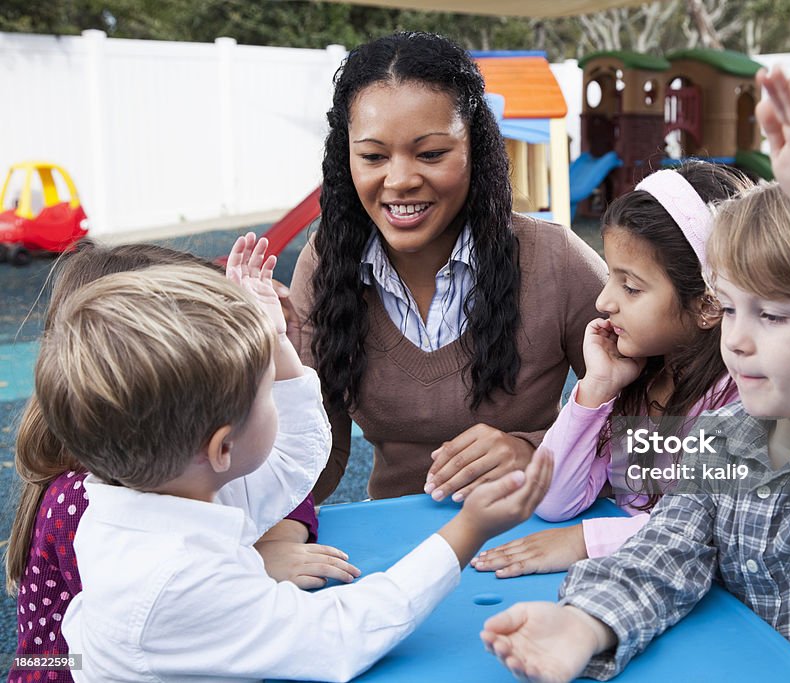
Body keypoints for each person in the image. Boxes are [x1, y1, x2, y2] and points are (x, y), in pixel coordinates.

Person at [479, 67, 790, 682]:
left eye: (772, 314)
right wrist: (584, 623)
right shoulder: (724, 434)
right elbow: (664, 554)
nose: (737, 339)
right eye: (728, 308)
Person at [34, 240, 551, 682]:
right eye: (267, 392)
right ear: (220, 449)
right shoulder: (178, 579)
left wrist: (274, 340)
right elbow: (343, 634)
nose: (282, 388)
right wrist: (469, 530)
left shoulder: (152, 491)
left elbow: (293, 461)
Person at [4, 240, 351, 683]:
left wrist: (278, 537)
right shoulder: (84, 503)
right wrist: (247, 572)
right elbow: (99, 651)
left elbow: (275, 470)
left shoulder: (184, 445)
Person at [288, 31, 605, 503]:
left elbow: (671, 438)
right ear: (345, 158)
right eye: (373, 156)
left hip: (533, 538)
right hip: (395, 552)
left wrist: (539, 454)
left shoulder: (554, 260)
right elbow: (316, 453)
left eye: (431, 153)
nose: (400, 180)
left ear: (475, 146)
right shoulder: (327, 265)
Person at [471, 162, 747, 578]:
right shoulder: (637, 382)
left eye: (631, 287)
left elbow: (715, 530)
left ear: (708, 304)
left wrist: (586, 541)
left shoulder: (738, 399)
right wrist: (596, 388)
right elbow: (553, 500)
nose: (604, 301)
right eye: (610, 277)